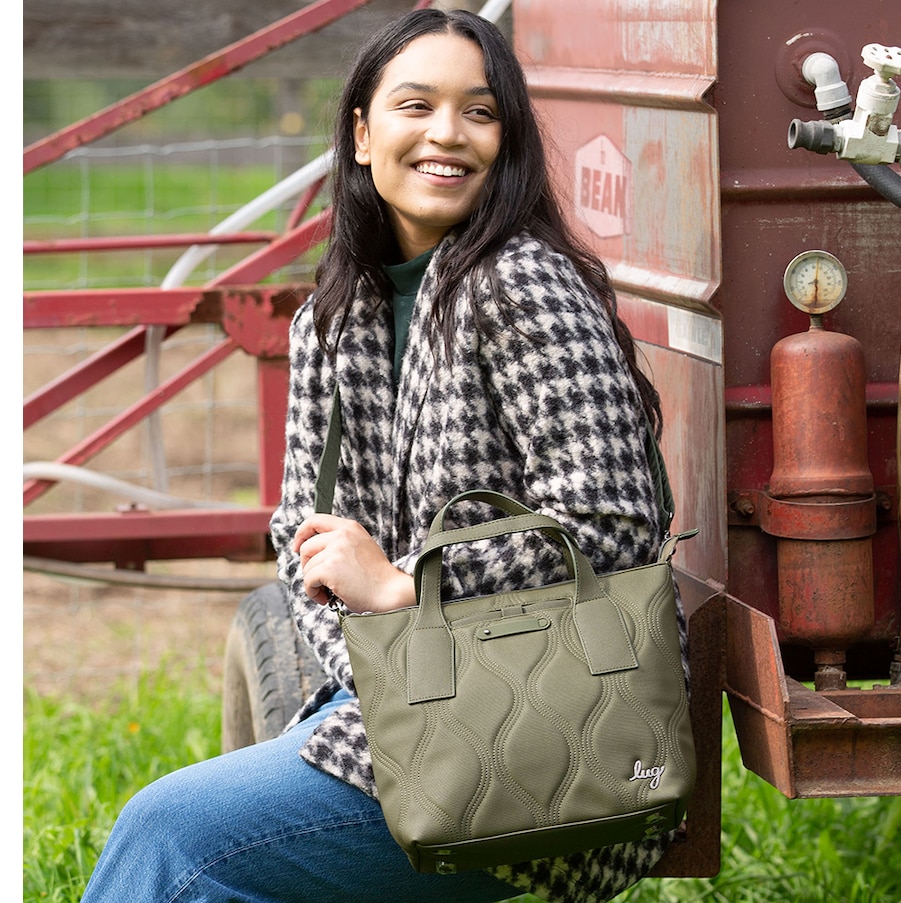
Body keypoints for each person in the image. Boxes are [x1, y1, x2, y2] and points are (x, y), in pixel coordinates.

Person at [80, 8, 686, 903]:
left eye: (479, 113)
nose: (447, 134)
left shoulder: (523, 283)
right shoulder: (333, 314)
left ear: (507, 140)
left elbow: (614, 520)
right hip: (399, 708)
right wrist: (376, 650)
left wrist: (409, 589)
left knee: (174, 838)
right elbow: (302, 536)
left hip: (543, 740)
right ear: (362, 133)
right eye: (416, 105)